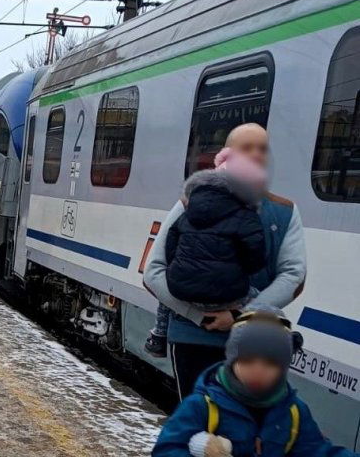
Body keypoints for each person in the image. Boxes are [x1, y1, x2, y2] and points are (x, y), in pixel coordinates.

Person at [144, 123, 307, 400]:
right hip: (205, 335)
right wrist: (204, 316)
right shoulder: (189, 204)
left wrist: (237, 317)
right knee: (202, 427)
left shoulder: (285, 210)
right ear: (227, 154)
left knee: (242, 431)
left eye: (263, 149)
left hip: (250, 345)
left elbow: (294, 277)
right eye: (247, 148)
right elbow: (154, 272)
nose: (256, 154)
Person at [153, 305, 355, 457]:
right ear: (232, 359)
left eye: (270, 363)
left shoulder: (293, 412)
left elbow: (319, 452)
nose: (258, 372)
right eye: (248, 360)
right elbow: (166, 449)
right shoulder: (203, 406)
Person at [145, 147, 267, 357]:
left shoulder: (188, 207)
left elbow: (170, 247)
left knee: (167, 283)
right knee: (260, 295)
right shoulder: (247, 215)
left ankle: (159, 334)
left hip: (183, 294)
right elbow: (255, 259)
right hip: (227, 297)